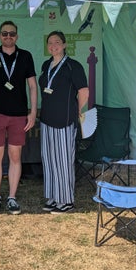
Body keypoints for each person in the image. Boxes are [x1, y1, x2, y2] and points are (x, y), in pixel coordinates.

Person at [0, 21, 38, 215]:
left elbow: (32, 86)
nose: (8, 36)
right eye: (4, 33)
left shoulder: (26, 56)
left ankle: (12, 198)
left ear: (17, 36)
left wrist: (33, 111)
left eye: (12, 33)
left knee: (15, 157)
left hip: (19, 115)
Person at [38, 30, 89, 213]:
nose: (54, 45)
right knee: (49, 159)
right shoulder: (46, 65)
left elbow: (83, 92)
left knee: (63, 161)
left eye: (57, 42)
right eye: (50, 42)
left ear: (64, 45)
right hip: (46, 119)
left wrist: (76, 110)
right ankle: (53, 196)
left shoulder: (73, 66)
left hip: (65, 121)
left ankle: (66, 200)